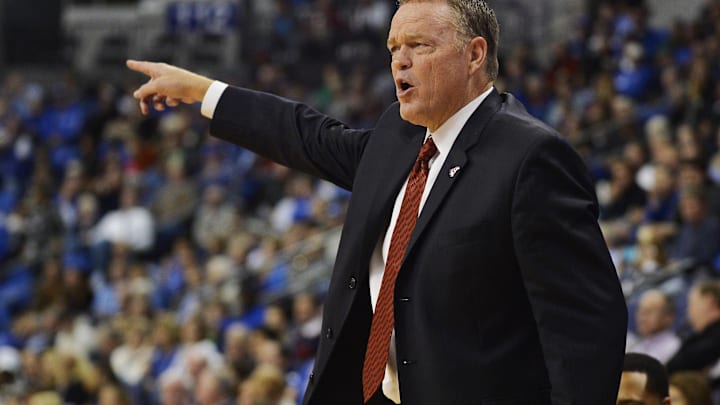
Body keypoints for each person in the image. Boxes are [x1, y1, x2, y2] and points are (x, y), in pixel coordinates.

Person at [127, 0, 628, 403]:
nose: (399, 61)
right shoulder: (399, 134)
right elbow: (310, 136)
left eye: (418, 45)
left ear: (475, 55)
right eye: (393, 48)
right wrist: (204, 91)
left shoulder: (531, 157)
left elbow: (585, 324)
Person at [667, 280, 720, 383]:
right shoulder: (700, 336)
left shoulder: (714, 338)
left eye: (691, 304)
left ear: (709, 301)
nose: (688, 312)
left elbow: (680, 364)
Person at [627, 289, 681, 364]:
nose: (642, 317)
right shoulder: (635, 343)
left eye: (649, 311)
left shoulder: (673, 347)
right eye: (640, 311)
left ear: (668, 317)